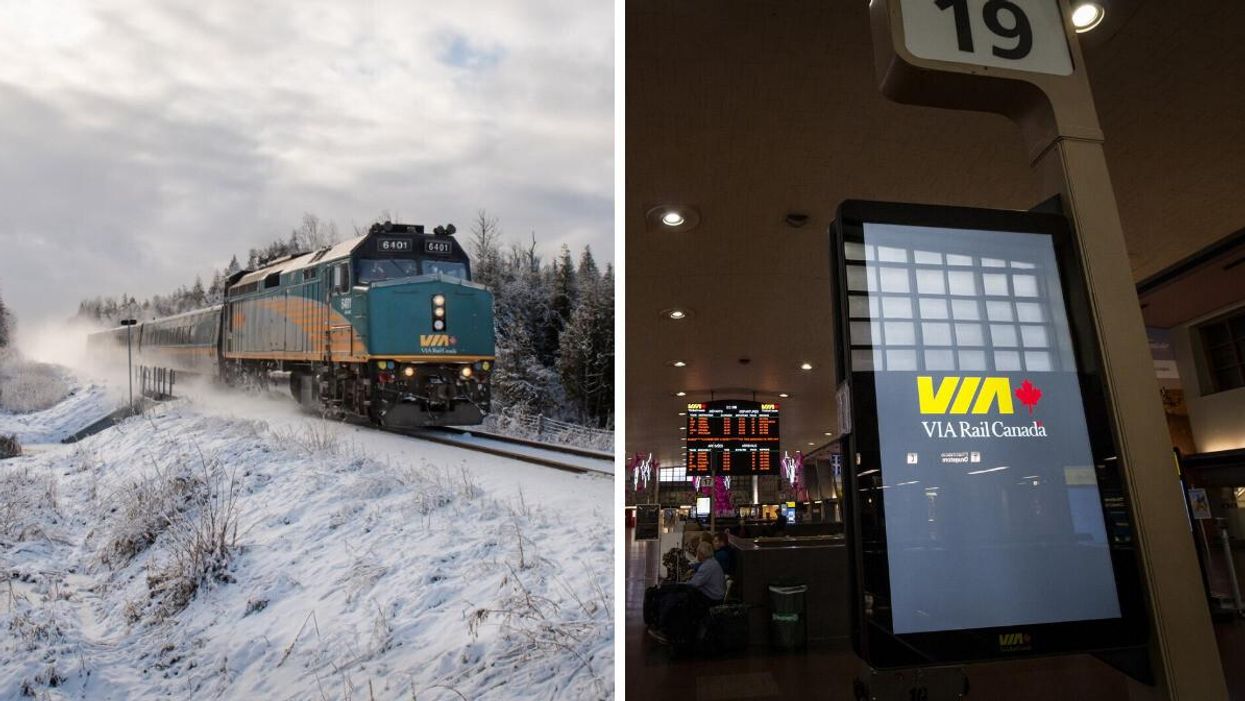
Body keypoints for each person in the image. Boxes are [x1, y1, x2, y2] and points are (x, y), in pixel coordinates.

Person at [650, 541, 725, 645]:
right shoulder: (711, 562)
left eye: (698, 552)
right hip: (712, 596)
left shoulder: (707, 567)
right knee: (678, 594)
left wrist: (679, 584)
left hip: (710, 600)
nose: (696, 554)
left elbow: (693, 584)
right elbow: (697, 570)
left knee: (679, 599)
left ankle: (667, 631)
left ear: (701, 554)